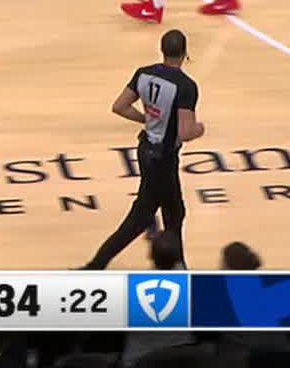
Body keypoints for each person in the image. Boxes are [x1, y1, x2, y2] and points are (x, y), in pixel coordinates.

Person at [82, 29, 203, 269]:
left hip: (146, 149)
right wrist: (200, 129)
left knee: (174, 212)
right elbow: (185, 132)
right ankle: (94, 266)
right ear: (185, 53)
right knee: (141, 219)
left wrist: (146, 119)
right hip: (164, 158)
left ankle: (179, 268)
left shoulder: (144, 73)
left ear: (162, 50)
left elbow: (120, 106)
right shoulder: (185, 86)